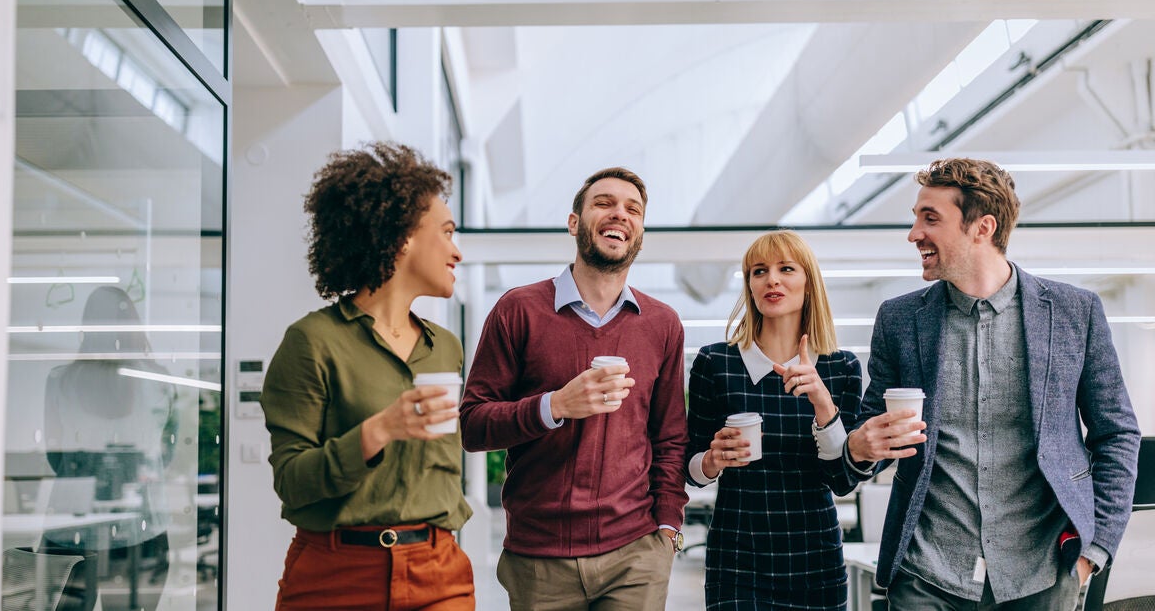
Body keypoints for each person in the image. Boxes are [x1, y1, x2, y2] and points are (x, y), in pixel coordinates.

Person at [841, 157, 1141, 609]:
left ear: (982, 227)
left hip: (1040, 575)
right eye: (915, 218)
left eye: (930, 218)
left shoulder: (1074, 313)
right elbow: (875, 437)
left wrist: (1094, 553)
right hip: (928, 573)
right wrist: (861, 449)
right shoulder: (900, 320)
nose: (913, 234)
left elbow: (1116, 435)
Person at [460, 167, 688, 610]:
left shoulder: (662, 324)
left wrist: (667, 525)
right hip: (539, 558)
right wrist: (555, 405)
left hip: (636, 552)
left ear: (639, 233)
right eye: (604, 203)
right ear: (574, 223)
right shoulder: (518, 310)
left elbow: (670, 437)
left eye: (632, 209)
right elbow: (473, 425)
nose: (619, 214)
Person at [259, 142, 474, 611]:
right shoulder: (312, 342)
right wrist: (378, 431)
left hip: (440, 574)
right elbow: (292, 481)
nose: (456, 251)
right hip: (335, 578)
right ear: (403, 236)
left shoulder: (446, 348)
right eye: (447, 232)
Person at [685, 230, 863, 610]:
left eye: (786, 269)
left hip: (816, 559)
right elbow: (689, 468)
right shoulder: (716, 364)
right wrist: (712, 461)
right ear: (750, 286)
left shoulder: (840, 367)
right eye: (759, 271)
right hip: (737, 559)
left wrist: (822, 403)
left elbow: (844, 480)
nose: (772, 280)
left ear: (808, 283)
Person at [42, 285, 177, 610]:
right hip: (141, 524)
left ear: (88, 326)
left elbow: (55, 454)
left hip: (72, 524)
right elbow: (165, 455)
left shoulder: (61, 380)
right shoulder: (161, 381)